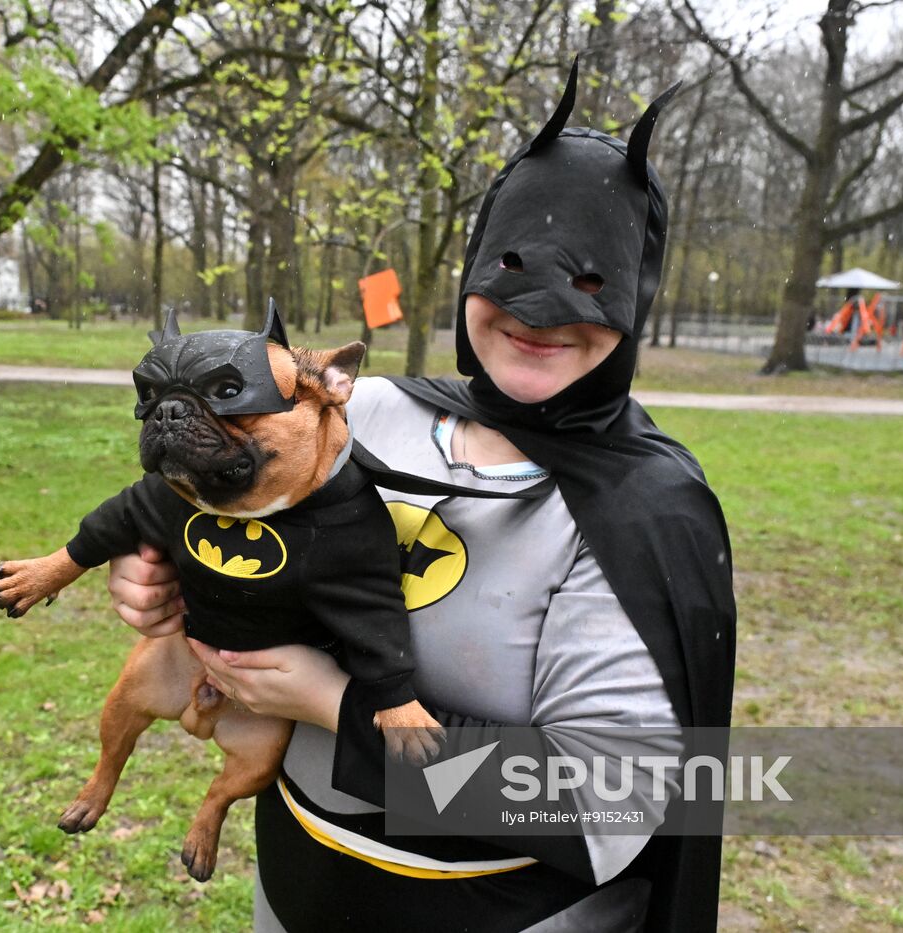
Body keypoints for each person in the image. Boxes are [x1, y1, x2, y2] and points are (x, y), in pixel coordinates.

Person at [107, 66, 735, 933]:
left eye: (592, 283)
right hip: (294, 890)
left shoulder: (645, 512)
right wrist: (160, 575)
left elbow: (605, 803)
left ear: (636, 297)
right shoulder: (360, 414)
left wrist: (336, 707)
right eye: (512, 265)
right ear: (475, 266)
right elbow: (201, 500)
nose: (539, 313)